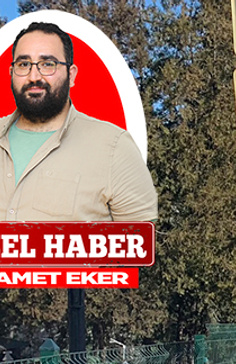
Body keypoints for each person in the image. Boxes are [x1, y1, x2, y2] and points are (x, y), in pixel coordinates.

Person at [0, 21, 156, 221]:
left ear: (71, 75)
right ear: (11, 73)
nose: (34, 76)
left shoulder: (114, 147)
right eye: (23, 64)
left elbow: (140, 245)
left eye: (48, 64)